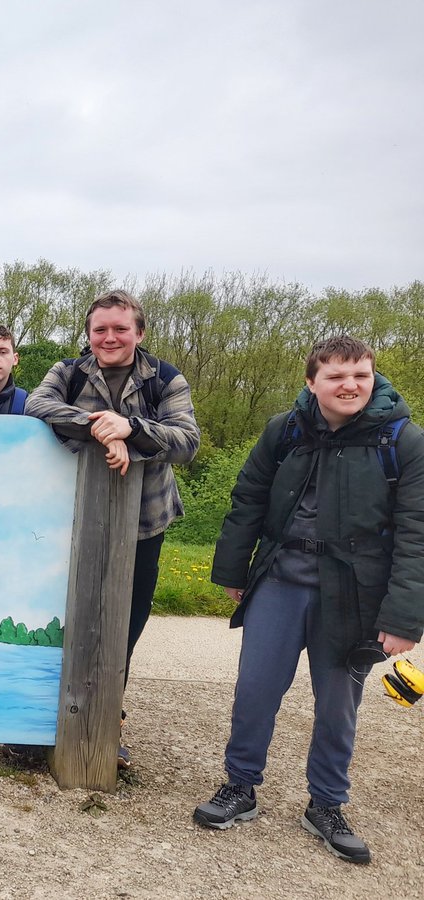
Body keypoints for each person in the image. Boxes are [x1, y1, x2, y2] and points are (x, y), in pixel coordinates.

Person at [193, 335, 423, 864]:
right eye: (337, 376)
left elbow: (417, 532)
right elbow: (248, 496)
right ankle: (239, 787)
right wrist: (233, 568)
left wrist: (404, 617)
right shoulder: (285, 430)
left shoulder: (403, 441)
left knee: (338, 706)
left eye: (361, 375)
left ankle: (326, 803)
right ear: (311, 382)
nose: (351, 386)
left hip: (353, 593)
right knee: (254, 689)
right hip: (280, 580)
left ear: (372, 377)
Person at [26, 289, 199, 766]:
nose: (109, 337)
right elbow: (37, 407)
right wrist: (104, 425)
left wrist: (134, 431)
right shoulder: (67, 372)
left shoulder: (166, 378)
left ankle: (106, 721)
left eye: (120, 328)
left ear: (138, 333)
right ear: (88, 334)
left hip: (145, 522)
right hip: (73, 519)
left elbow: (187, 440)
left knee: (126, 624)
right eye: (99, 329)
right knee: (65, 617)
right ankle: (48, 719)